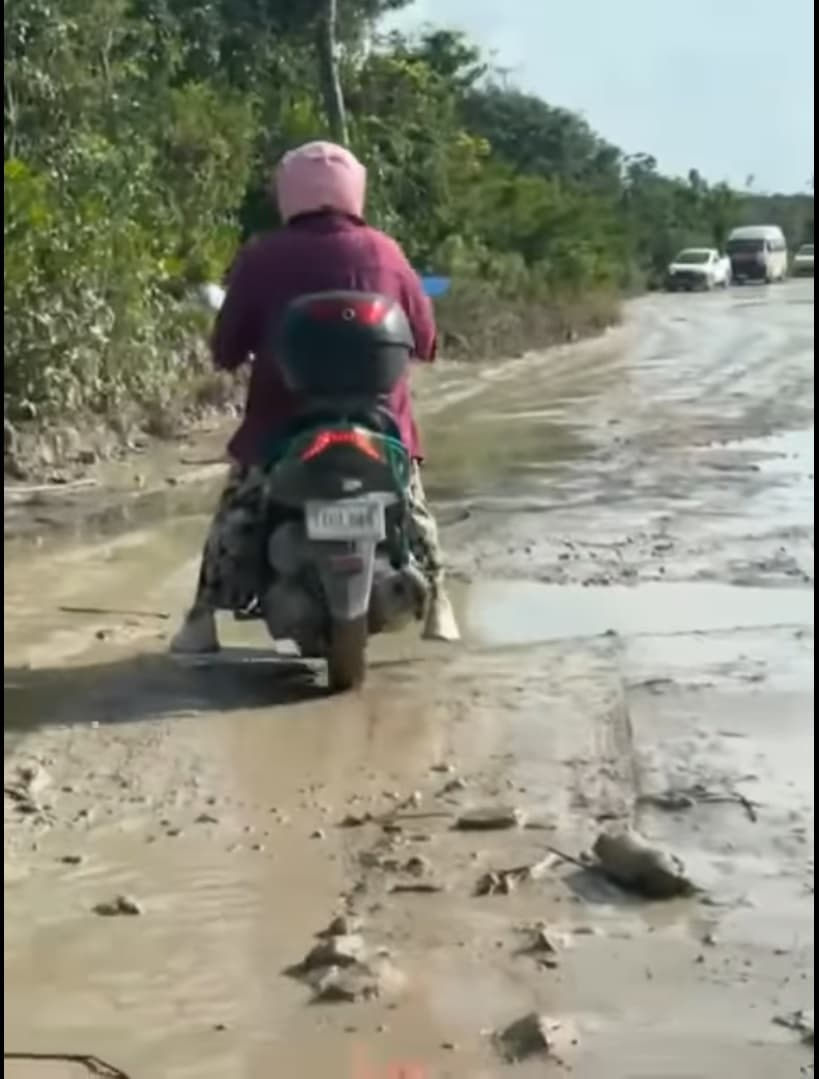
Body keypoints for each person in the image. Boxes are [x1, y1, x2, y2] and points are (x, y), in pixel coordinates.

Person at [170, 140, 460, 654]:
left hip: (282, 427)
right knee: (410, 500)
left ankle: (202, 620)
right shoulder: (385, 251)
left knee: (239, 508)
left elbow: (226, 348)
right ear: (354, 191)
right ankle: (439, 604)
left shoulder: (263, 256)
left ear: (289, 193)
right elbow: (427, 341)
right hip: (381, 424)